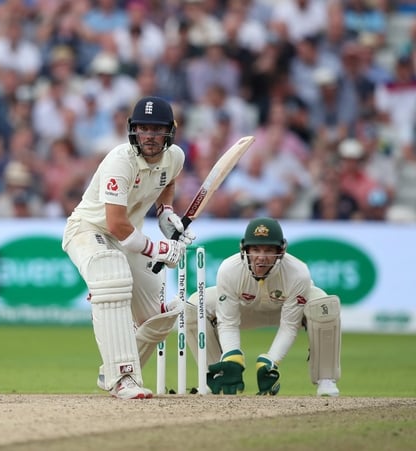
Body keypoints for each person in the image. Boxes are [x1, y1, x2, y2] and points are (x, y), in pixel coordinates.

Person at [62, 96, 195, 399]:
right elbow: (115, 225)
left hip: (127, 236)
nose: (149, 136)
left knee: (160, 318)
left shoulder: (175, 157)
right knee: (112, 277)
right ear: (133, 130)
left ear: (169, 133)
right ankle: (122, 378)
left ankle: (110, 367)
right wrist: (159, 250)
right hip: (89, 230)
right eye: (143, 128)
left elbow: (168, 180)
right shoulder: (120, 161)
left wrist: (165, 212)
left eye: (156, 129)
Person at [185, 217, 341, 397]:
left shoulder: (298, 272)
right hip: (246, 311)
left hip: (288, 313)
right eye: (256, 249)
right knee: (195, 305)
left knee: (324, 306)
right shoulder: (229, 269)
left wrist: (271, 360)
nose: (261, 257)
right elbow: (228, 322)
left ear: (281, 251)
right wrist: (232, 356)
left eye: (268, 250)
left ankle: (326, 380)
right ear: (245, 250)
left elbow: (289, 326)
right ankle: (216, 376)